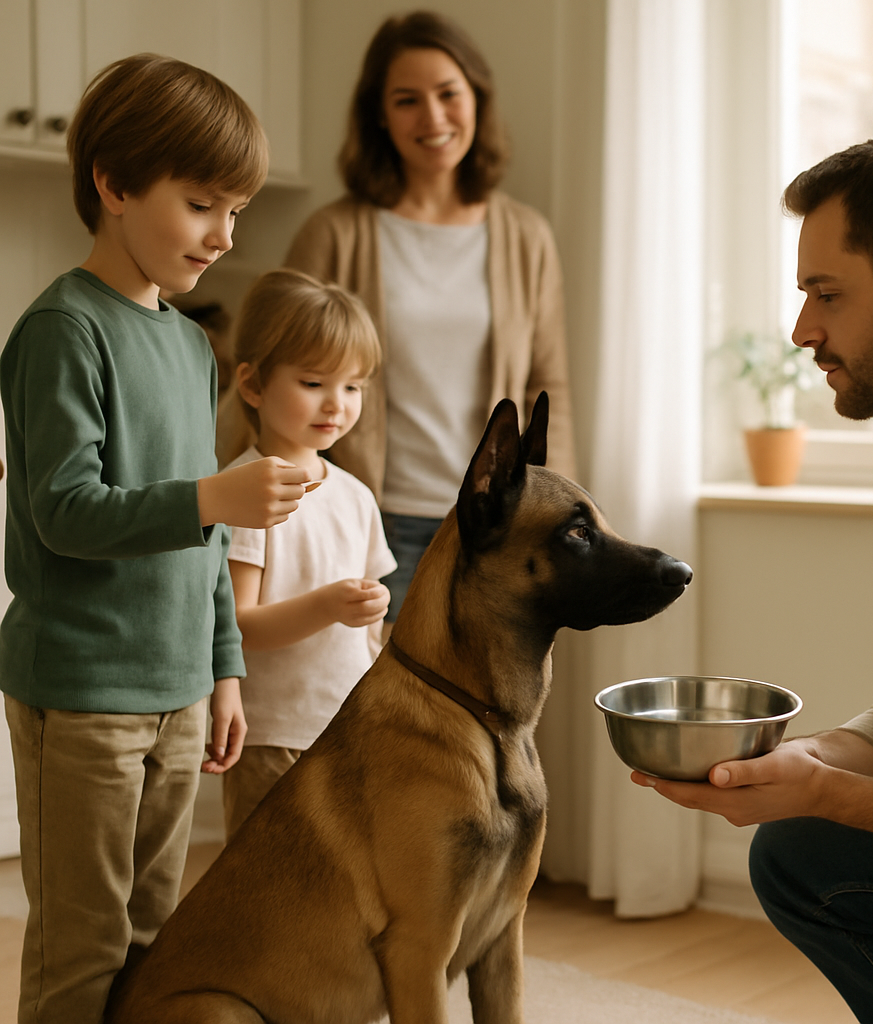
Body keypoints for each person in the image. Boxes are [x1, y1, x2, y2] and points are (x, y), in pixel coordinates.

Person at [633, 131, 873, 1022]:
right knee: (797, 845)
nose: (803, 330)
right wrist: (800, 766)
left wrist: (837, 791)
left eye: (825, 294)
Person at [0, 54, 312, 1024]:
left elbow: (208, 541)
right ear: (114, 184)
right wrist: (212, 495)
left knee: (150, 932)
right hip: (84, 691)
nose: (224, 236)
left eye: (237, 211)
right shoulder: (62, 330)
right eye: (201, 204)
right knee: (80, 943)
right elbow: (66, 510)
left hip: (179, 689)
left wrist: (222, 669)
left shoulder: (188, 343)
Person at [282, 9, 576, 625]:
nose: (434, 117)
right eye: (407, 99)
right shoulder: (333, 234)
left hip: (491, 524)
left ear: (477, 99)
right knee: (369, 712)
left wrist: (551, 512)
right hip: (367, 520)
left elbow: (548, 386)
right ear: (379, 115)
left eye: (448, 94)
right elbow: (286, 378)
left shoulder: (527, 236)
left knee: (488, 715)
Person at [219, 269, 396, 839]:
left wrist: (370, 606)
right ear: (253, 386)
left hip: (350, 732)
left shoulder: (356, 495)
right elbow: (237, 628)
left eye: (353, 387)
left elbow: (371, 631)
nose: (337, 405)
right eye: (314, 382)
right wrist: (329, 605)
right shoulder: (242, 489)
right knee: (266, 895)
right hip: (271, 735)